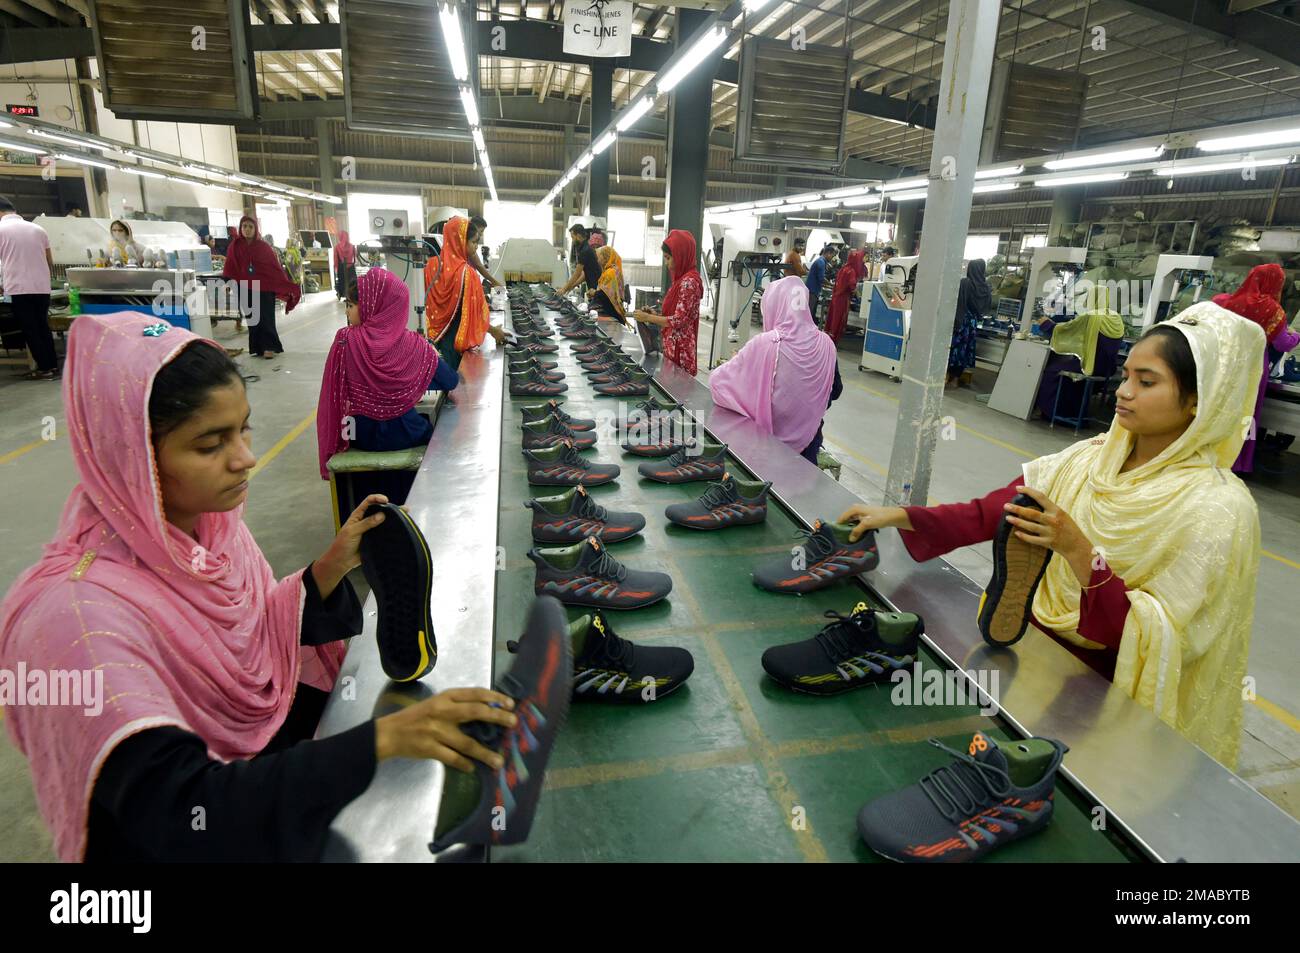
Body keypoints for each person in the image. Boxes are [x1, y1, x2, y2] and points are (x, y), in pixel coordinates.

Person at [0, 311, 518, 862]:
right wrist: (379, 742)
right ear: (128, 451)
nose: (245, 459)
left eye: (243, 429)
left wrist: (329, 568)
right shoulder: (71, 623)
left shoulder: (208, 531)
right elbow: (180, 815)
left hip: (249, 762)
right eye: (209, 444)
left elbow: (250, 635)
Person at [839, 303, 1264, 768]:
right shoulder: (1092, 457)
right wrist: (901, 515)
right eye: (1125, 376)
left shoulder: (1219, 508)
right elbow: (999, 511)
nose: (1123, 392)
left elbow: (1162, 641)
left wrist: (1078, 550)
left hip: (1107, 684)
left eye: (1147, 382)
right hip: (1030, 647)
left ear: (1200, 402)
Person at [317, 268, 459, 478]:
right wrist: (429, 361)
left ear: (373, 306)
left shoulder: (345, 340)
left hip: (359, 434)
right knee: (435, 429)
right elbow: (450, 381)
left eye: (351, 305)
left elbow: (333, 396)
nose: (347, 312)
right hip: (405, 433)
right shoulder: (414, 345)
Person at [711, 275, 841, 465]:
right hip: (809, 448)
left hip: (765, 452)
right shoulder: (827, 344)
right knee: (800, 492)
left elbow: (718, 382)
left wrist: (743, 367)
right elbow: (835, 390)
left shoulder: (766, 343)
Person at [1211, 264, 1300, 473]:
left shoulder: (1227, 302)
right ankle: (1235, 460)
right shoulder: (1273, 310)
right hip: (1252, 367)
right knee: (1245, 415)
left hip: (1224, 362)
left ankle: (1207, 453)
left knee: (1218, 407)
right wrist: (1296, 334)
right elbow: (1282, 344)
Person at [1033, 282, 1125, 419]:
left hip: (1089, 365)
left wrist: (1046, 324)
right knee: (1070, 373)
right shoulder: (1116, 318)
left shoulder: (1091, 317)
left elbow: (1069, 330)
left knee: (1051, 370)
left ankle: (1050, 413)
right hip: (1107, 369)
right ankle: (1074, 413)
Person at [424, 215, 506, 370]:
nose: (476, 247)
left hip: (431, 340)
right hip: (454, 340)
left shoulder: (430, 266)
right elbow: (475, 314)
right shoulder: (467, 273)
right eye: (474, 242)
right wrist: (494, 331)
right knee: (453, 382)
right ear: (460, 240)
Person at [222, 215, 299, 359]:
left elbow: (274, 267)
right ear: (241, 228)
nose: (247, 229)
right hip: (244, 287)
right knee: (252, 318)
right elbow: (230, 266)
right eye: (244, 226)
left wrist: (282, 283)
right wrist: (228, 283)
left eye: (250, 227)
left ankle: (269, 347)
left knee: (266, 317)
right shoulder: (235, 246)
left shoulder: (264, 247)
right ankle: (257, 348)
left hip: (264, 288)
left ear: (255, 228)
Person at [0, 196, 58, 380]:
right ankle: (53, 366)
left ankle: (44, 369)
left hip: (18, 288)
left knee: (31, 329)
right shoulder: (38, 229)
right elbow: (50, 260)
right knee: (43, 326)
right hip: (42, 287)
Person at [633, 229, 702, 376]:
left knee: (679, 391)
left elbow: (679, 320)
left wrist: (648, 318)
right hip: (673, 345)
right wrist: (655, 315)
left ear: (681, 256)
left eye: (668, 258)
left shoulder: (689, 282)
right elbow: (677, 314)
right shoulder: (680, 280)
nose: (667, 264)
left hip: (680, 351)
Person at [948, 258, 993, 387]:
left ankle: (947, 378)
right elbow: (986, 308)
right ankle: (955, 379)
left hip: (961, 322)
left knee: (954, 350)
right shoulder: (986, 287)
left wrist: (955, 322)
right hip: (972, 323)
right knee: (965, 351)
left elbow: (959, 303)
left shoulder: (966, 283)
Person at [825, 248, 867, 345]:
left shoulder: (844, 268)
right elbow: (852, 286)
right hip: (842, 299)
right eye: (862, 258)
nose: (864, 260)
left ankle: (828, 340)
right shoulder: (851, 271)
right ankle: (832, 342)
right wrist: (860, 296)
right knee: (838, 320)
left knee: (832, 318)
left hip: (836, 297)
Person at [559, 223, 601, 298]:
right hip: (595, 287)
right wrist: (572, 286)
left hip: (597, 288)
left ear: (578, 236)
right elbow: (585, 274)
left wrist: (564, 289)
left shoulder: (585, 251)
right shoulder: (586, 248)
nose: (573, 240)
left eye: (573, 237)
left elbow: (577, 273)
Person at [588, 245, 627, 323]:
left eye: (599, 257)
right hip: (610, 312)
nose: (598, 261)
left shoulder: (611, 273)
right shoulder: (610, 271)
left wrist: (594, 293)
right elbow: (607, 292)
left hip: (612, 313)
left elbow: (606, 296)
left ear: (605, 258)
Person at [805, 245, 835, 324]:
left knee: (812, 312)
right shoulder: (821, 262)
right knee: (809, 313)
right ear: (828, 253)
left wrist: (828, 285)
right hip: (812, 291)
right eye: (832, 255)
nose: (832, 258)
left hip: (813, 290)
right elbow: (821, 278)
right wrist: (832, 285)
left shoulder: (820, 261)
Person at [333, 230, 356, 301]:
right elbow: (355, 256)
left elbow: (336, 259)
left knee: (342, 282)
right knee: (352, 282)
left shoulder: (337, 247)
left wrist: (335, 268)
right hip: (351, 267)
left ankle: (343, 295)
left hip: (341, 268)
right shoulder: (352, 246)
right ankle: (353, 296)